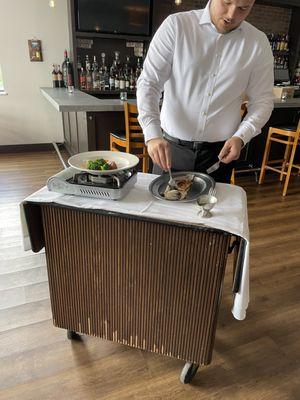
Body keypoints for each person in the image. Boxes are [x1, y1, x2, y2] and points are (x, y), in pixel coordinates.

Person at [136, 0, 274, 183]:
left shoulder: (258, 43)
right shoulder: (177, 25)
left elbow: (263, 101)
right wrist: (152, 134)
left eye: (243, 8)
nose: (232, 14)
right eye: (227, 2)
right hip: (171, 150)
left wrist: (241, 137)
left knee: (212, 211)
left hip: (219, 154)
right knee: (163, 209)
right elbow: (149, 83)